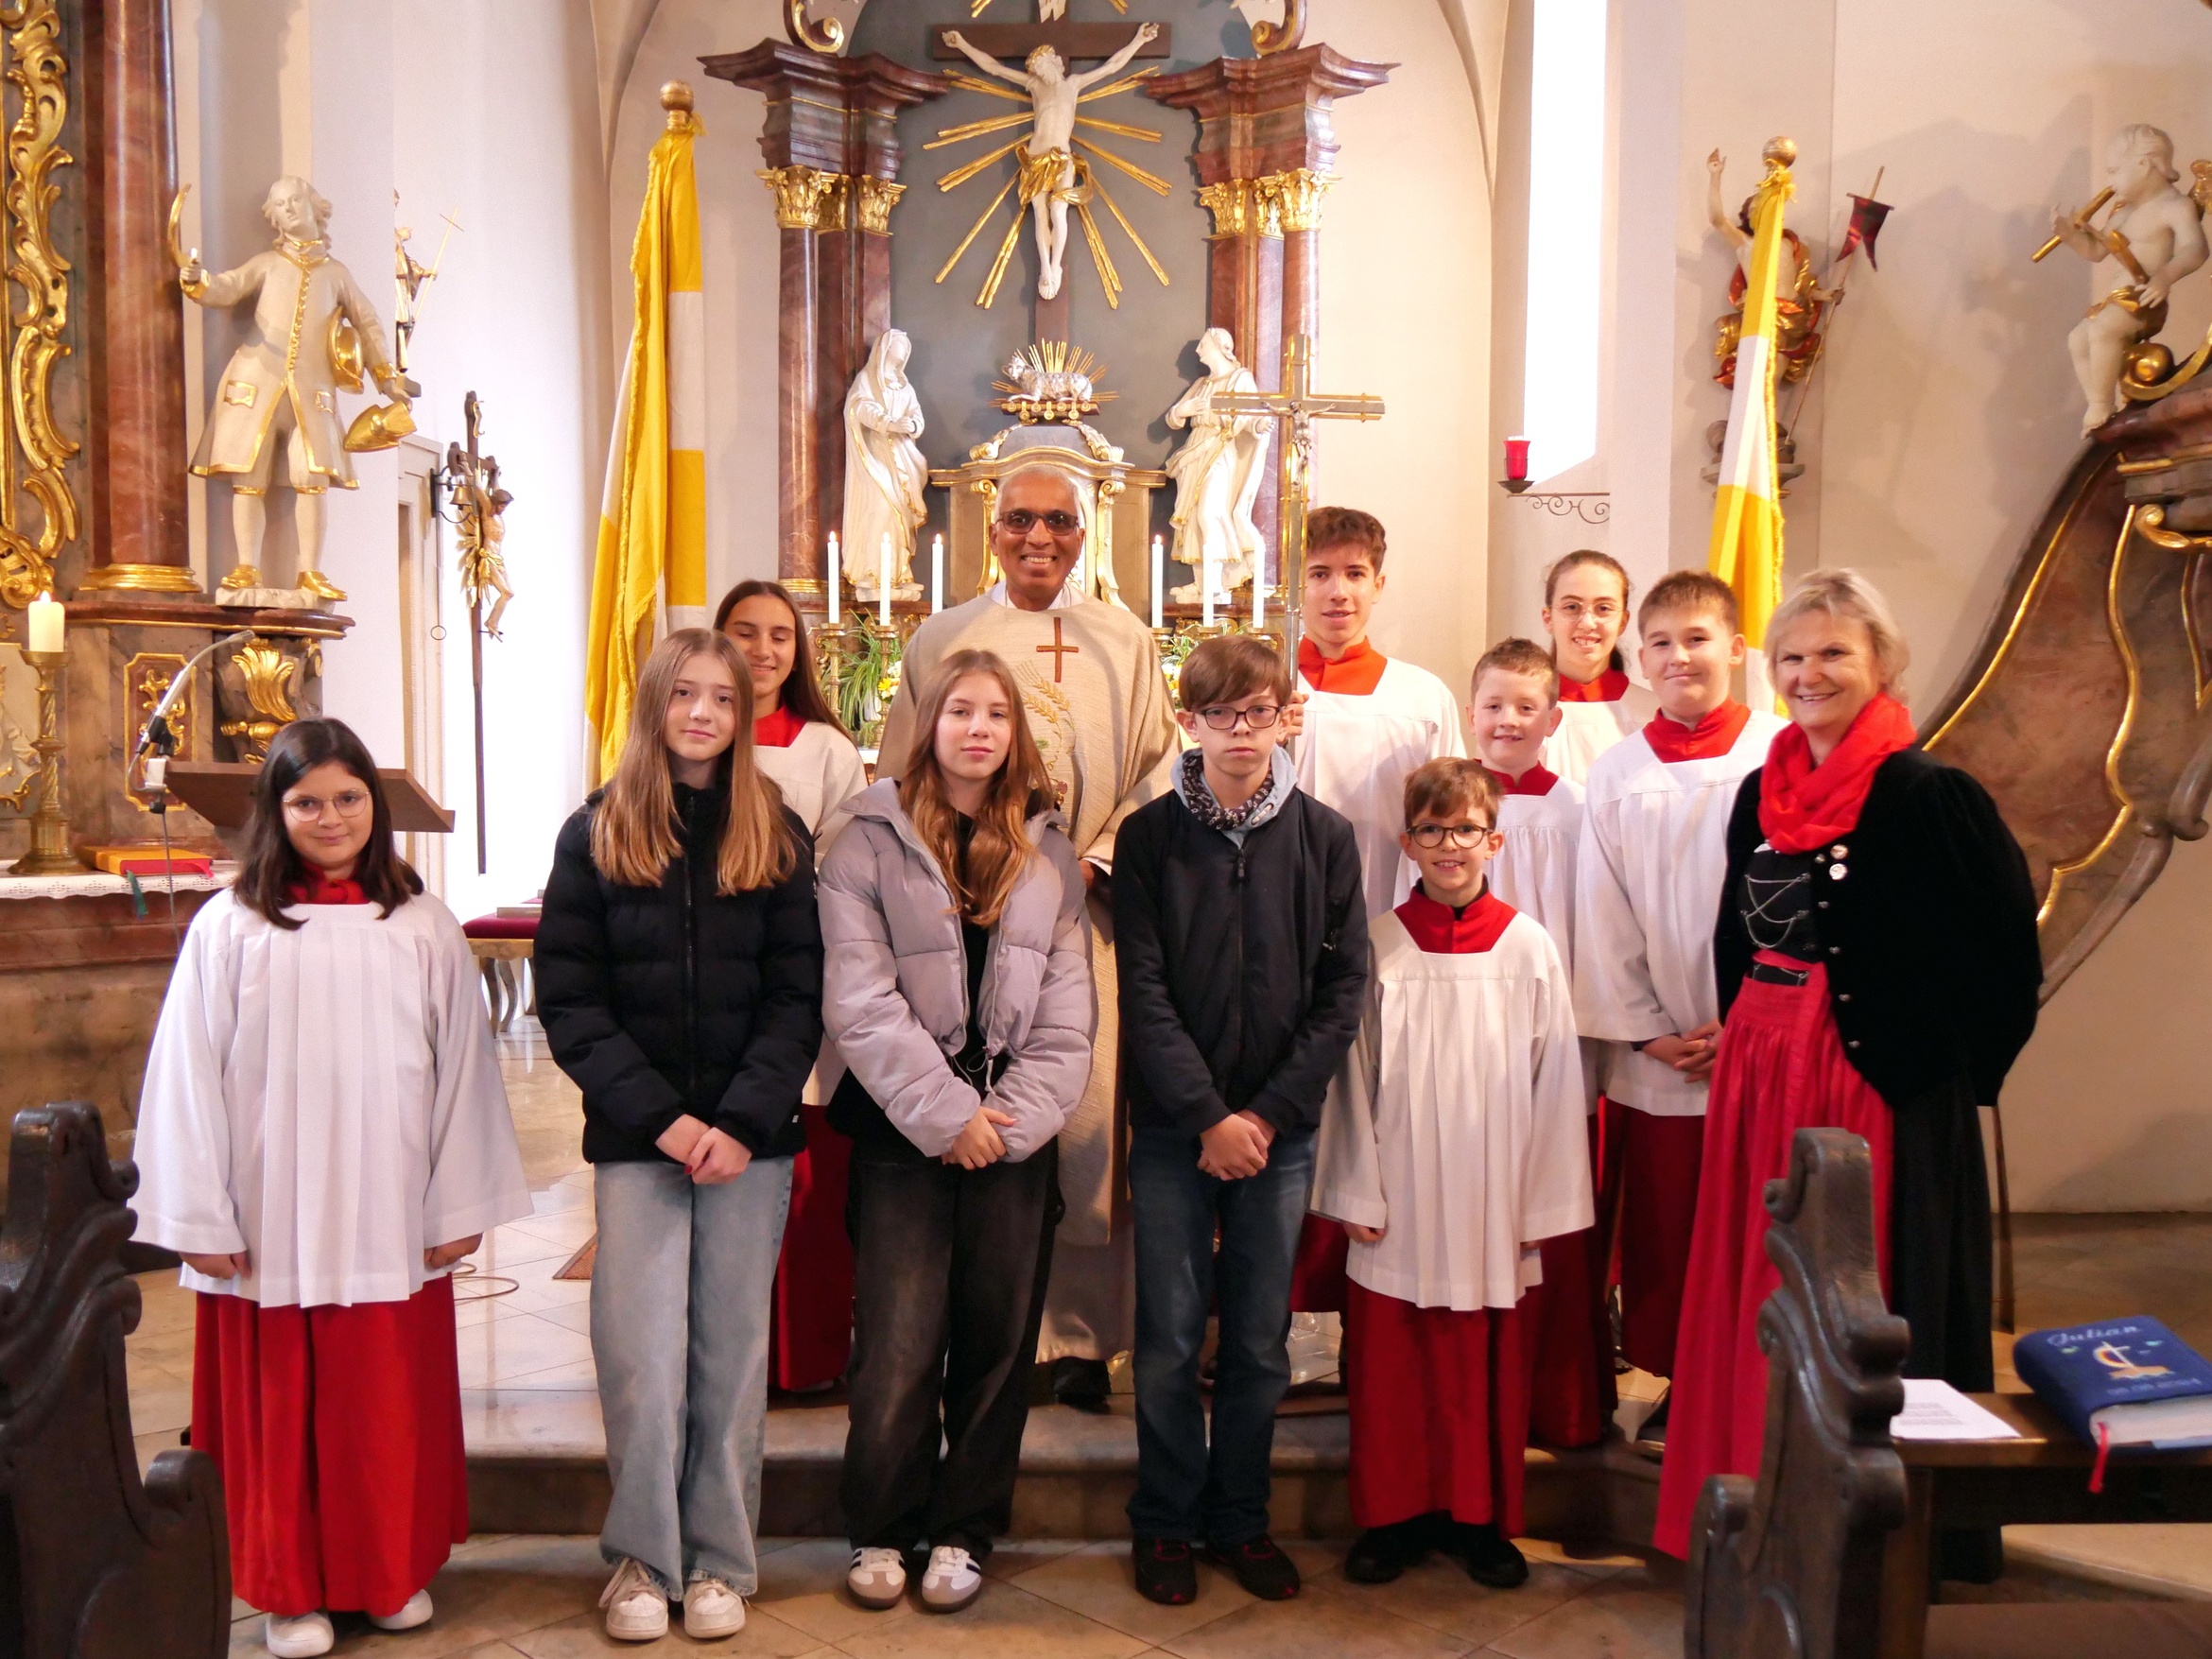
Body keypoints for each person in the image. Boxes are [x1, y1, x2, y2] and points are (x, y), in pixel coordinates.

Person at [1654, 571, 2040, 1561]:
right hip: (1758, 1072)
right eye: (1792, 656)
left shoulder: (1930, 794)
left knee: (1857, 1297)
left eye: (1834, 653)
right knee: (1759, 1290)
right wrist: (1742, 1031)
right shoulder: (1758, 792)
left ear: (1882, 664)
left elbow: (2004, 961)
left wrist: (1942, 1089)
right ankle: (1754, 1500)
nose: (1810, 672)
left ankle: (1869, 1544)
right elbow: (1737, 933)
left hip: (1870, 1080)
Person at [131, 718, 529, 1659]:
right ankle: (288, 1588)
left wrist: (458, 1204)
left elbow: (462, 1072)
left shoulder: (421, 923)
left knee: (382, 1401)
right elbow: (184, 1074)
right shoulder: (231, 924)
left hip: (390, 1203)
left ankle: (387, 1571)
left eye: (349, 797)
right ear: (275, 811)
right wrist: (197, 1215)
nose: (331, 816)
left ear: (375, 807)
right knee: (280, 1409)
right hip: (266, 1211)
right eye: (307, 800)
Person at [537, 629, 824, 1643]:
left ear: (743, 719)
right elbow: (570, 1000)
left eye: (722, 698)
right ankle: (641, 1561)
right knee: (642, 1355)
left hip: (752, 1144)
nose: (703, 713)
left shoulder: (776, 832)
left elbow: (799, 994)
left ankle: (719, 1562)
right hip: (640, 1142)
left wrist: (741, 1121)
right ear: (654, 706)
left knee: (732, 1357)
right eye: (685, 695)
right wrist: (664, 1120)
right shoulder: (598, 833)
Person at [877, 462, 1181, 1408]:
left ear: (1086, 531)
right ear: (990, 526)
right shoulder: (943, 639)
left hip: (1081, 911)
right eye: (1020, 519)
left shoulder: (1124, 641)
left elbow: (1159, 772)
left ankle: (1080, 1341)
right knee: (978, 1101)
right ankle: (979, 1327)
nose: (1038, 537)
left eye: (1058, 521)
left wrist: (1089, 858)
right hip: (961, 914)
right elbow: (901, 772)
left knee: (1083, 1123)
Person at [821, 650, 1094, 1615]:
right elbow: (859, 999)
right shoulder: (866, 839)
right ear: (928, 724)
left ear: (1017, 735)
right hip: (903, 1132)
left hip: (1013, 1131)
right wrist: (946, 1117)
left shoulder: (1047, 849)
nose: (979, 730)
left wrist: (1003, 1123)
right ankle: (882, 1529)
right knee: (897, 1344)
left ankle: (964, 1529)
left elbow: (1069, 1015)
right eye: (961, 712)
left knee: (995, 1342)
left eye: (997, 716)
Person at [1114, 633, 1370, 1608]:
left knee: (1260, 1340)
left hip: (1280, 1128)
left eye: (1260, 713)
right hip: (1181, 1131)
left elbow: (1343, 988)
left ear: (1284, 717)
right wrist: (1208, 1115)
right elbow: (1143, 989)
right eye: (1223, 714)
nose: (1242, 732)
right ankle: (1167, 1522)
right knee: (1174, 1337)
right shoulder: (1148, 840)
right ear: (1190, 722)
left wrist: (1264, 1113)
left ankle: (1240, 1519)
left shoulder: (1324, 837)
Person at [1315, 758, 1591, 1591]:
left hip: (1491, 1193)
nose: (1448, 845)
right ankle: (1393, 1519)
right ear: (1408, 842)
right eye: (1431, 830)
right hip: (1400, 1189)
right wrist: (1355, 1188)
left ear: (1494, 839)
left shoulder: (1530, 946)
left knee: (1479, 1360)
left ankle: (1478, 1520)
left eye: (1465, 829)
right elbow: (1347, 1075)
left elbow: (1558, 1082)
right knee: (1395, 1361)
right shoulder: (1378, 942)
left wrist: (1541, 1200)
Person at [1573, 571, 1786, 1425]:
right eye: (1660, 642)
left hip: (1763, 1034)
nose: (1680, 657)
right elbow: (1603, 910)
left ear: (1738, 648)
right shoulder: (1619, 771)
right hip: (1663, 1049)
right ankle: (1679, 1382)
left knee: (1758, 1223)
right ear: (1639, 658)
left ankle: (1757, 1380)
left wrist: (1752, 1019)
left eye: (1698, 638)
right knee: (1671, 1229)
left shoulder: (1779, 753)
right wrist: (1647, 1031)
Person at [718, 579, 870, 1394]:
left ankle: (806, 1358)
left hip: (803, 970)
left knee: (810, 1178)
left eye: (780, 635)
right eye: (746, 632)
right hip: (714, 979)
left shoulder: (825, 748)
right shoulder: (698, 733)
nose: (765, 650)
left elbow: (846, 864)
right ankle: (733, 1364)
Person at [1468, 637, 1613, 1450]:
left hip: (1549, 1045)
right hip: (1458, 1045)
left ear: (1554, 719)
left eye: (1526, 707)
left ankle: (1551, 1397)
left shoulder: (1575, 812)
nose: (1509, 720)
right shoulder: (1449, 803)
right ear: (1470, 712)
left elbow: (1591, 930)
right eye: (1494, 704)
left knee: (1546, 1221)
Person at [1538, 550, 1659, 786]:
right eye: (1572, 607)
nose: (1587, 623)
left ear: (1623, 621)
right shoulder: (1521, 716)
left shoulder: (1656, 716)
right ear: (1548, 618)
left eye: (1603, 609)